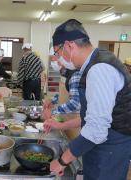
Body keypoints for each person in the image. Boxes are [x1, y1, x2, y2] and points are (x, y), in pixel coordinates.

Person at [47, 19, 131, 180]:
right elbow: (93, 114)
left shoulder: (99, 70)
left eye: (58, 53)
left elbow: (96, 129)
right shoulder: (96, 62)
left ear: (69, 46)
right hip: (103, 144)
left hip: (110, 148)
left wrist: (62, 161)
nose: (58, 59)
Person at [43, 47, 81, 119]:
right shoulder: (65, 73)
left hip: (75, 118)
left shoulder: (75, 74)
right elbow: (66, 93)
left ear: (62, 58)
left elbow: (75, 104)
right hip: (67, 116)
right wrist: (51, 100)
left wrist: (53, 111)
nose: (52, 62)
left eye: (53, 58)